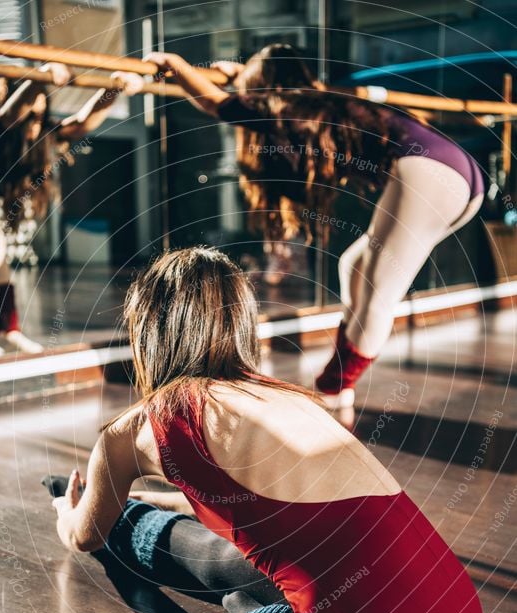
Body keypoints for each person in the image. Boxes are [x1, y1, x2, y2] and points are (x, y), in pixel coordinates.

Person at [29, 246, 484, 613]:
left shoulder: (136, 429)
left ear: (148, 335)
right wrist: (145, 497)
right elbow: (258, 504)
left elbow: (84, 534)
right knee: (223, 553)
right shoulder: (284, 400)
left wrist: (70, 512)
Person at [125, 44, 484, 408]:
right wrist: (239, 75)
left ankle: (332, 388)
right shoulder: (319, 102)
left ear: (264, 86)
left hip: (431, 172)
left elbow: (215, 104)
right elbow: (246, 98)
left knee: (378, 292)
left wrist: (176, 63)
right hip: (460, 177)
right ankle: (340, 380)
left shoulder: (288, 109)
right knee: (354, 265)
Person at [0, 63, 122, 356]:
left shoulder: (42, 135)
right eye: (30, 116)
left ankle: (6, 330)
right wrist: (39, 78)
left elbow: (82, 122)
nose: (35, 123)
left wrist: (115, 89)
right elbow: (11, 112)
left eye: (41, 115)